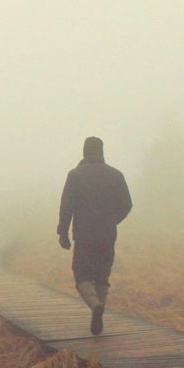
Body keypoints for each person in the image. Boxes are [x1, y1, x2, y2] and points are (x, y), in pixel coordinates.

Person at [57, 136, 132, 335]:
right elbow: (127, 205)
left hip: (84, 236)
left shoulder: (75, 176)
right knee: (102, 276)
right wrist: (112, 220)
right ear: (102, 152)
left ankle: (94, 304)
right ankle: (99, 307)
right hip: (107, 235)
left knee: (81, 274)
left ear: (84, 152)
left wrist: (63, 232)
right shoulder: (116, 175)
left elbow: (66, 207)